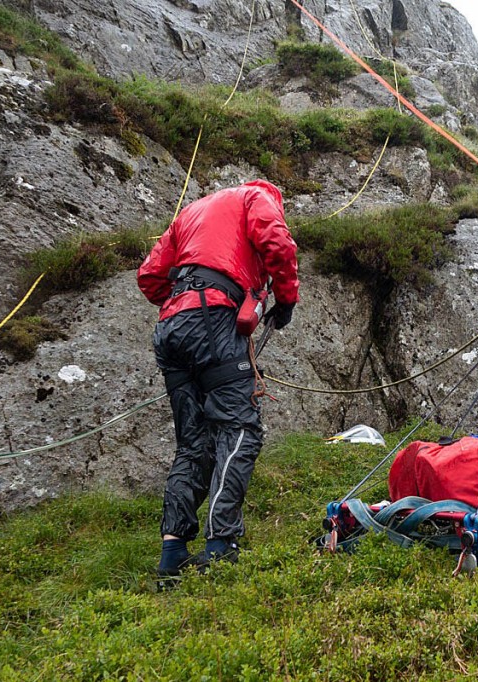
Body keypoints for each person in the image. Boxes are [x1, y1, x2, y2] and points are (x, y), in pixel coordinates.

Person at [137, 179, 299, 583]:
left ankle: (172, 550)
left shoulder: (189, 213)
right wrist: (286, 300)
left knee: (194, 441)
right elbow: (278, 244)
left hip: (171, 328)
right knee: (240, 428)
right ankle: (221, 542)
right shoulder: (256, 197)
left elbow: (150, 277)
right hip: (212, 321)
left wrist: (187, 298)